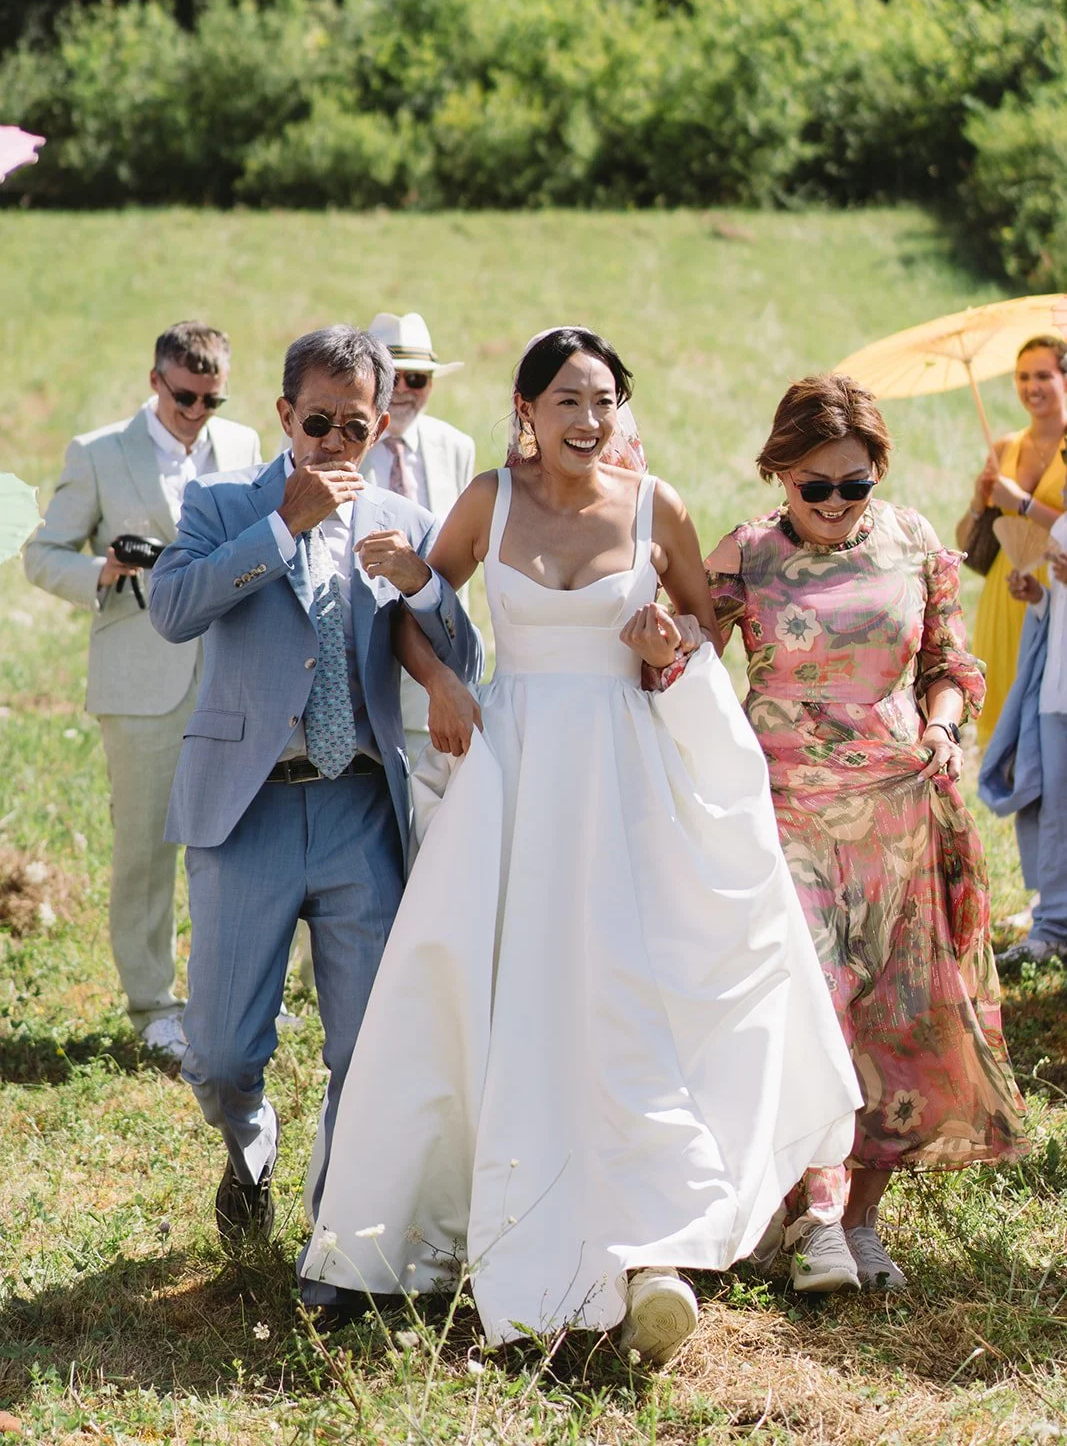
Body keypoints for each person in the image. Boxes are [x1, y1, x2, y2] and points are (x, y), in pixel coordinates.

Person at [300, 327, 860, 1361]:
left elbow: (699, 626)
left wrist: (669, 645)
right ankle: (425, 1223)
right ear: (526, 408)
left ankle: (648, 1234)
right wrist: (443, 683)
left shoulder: (658, 507)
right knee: (482, 978)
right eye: (566, 400)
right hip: (513, 770)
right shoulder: (487, 500)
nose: (587, 421)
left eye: (603, 400)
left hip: (623, 774)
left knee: (623, 987)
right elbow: (413, 602)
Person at [148, 324, 482, 1244]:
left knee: (366, 1048)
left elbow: (460, 656)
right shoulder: (221, 503)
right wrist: (280, 525)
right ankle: (249, 1145)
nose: (335, 445)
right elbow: (171, 610)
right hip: (244, 806)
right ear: (285, 414)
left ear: (380, 430)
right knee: (217, 1052)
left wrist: (424, 587)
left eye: (357, 428)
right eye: (319, 422)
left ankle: (338, 1231)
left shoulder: (406, 521)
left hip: (357, 807)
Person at [705, 372, 1030, 1291]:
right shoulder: (746, 556)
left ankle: (857, 1220)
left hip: (897, 804)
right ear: (779, 474)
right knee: (812, 1004)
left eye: (855, 484)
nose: (839, 504)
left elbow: (950, 662)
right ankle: (811, 1218)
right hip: (781, 808)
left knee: (895, 1016)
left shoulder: (914, 540)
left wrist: (939, 724)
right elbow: (683, 662)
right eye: (817, 486)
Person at [24, 322, 261, 1060]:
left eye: (210, 400)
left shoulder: (246, 448)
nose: (195, 413)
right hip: (139, 678)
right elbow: (40, 554)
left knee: (244, 840)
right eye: (184, 396)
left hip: (230, 671)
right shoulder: (99, 452)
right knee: (146, 849)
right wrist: (106, 569)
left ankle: (238, 995)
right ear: (155, 380)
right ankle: (152, 1004)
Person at [362, 311, 476, 763]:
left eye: (418, 378)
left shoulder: (455, 446)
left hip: (439, 666)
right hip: (362, 666)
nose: (406, 390)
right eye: (393, 378)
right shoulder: (332, 440)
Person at [957, 336, 1067, 744]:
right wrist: (978, 499)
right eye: (1022, 376)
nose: (1030, 386)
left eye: (1043, 375)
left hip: (1058, 587)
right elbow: (969, 543)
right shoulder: (1004, 447)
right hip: (1007, 589)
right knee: (1007, 715)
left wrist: (1022, 504)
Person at [993, 530, 1067, 970]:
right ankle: (1053, 927)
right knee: (1053, 811)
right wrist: (1040, 597)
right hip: (1056, 693)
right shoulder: (1061, 525)